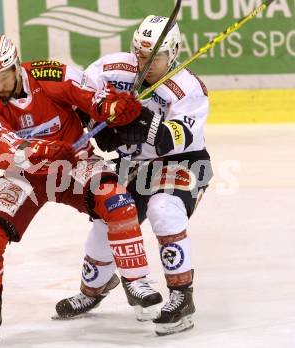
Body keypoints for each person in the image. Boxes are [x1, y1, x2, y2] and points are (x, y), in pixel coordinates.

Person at [0, 34, 162, 348]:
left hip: (75, 163)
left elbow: (93, 97)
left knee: (119, 204)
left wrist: (114, 107)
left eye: (2, 77)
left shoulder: (51, 74)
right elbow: (3, 151)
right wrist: (44, 149)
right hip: (25, 176)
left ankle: (137, 282)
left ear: (15, 66)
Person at [54, 15, 213, 336]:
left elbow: (170, 139)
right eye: (140, 55)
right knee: (107, 217)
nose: (145, 63)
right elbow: (81, 100)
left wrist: (134, 116)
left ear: (174, 52)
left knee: (163, 209)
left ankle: (182, 296)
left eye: (155, 58)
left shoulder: (189, 88)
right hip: (133, 164)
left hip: (181, 161)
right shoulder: (111, 67)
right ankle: (93, 289)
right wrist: (102, 118)